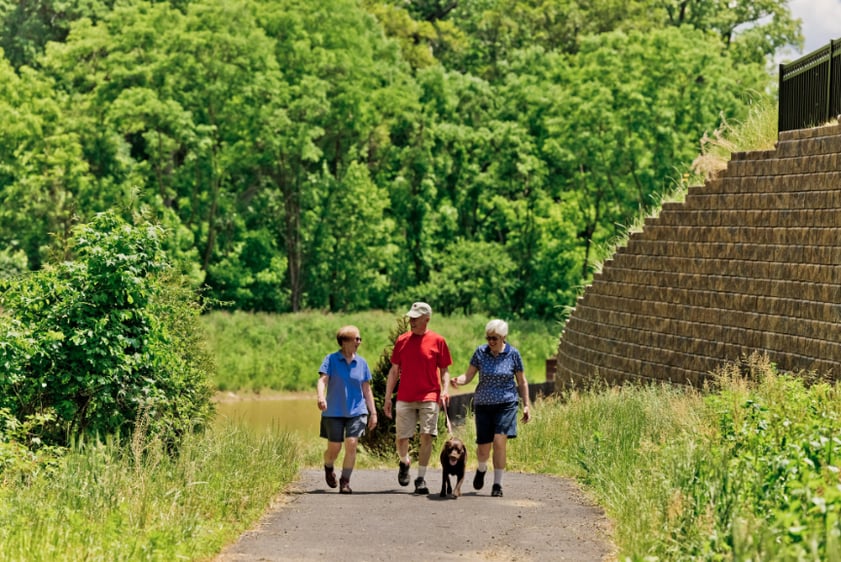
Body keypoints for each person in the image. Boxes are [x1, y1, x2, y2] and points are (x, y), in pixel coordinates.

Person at [451, 319, 530, 497]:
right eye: (488, 338)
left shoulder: (513, 354)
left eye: (494, 338)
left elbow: (522, 381)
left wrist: (526, 405)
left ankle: (497, 484)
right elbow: (469, 375)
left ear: (503, 337)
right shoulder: (480, 352)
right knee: (483, 448)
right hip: (484, 404)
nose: (491, 342)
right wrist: (459, 380)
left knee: (500, 440)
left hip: (507, 403)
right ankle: (481, 468)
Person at [383, 302, 452, 494]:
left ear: (426, 319)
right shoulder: (402, 340)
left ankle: (421, 478)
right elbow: (394, 371)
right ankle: (404, 461)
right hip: (405, 396)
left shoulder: (438, 341)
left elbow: (445, 371)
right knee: (402, 438)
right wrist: (388, 398)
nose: (411, 321)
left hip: (429, 395)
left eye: (415, 318)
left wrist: (445, 390)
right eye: (410, 318)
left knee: (427, 435)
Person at [317, 325, 377, 494]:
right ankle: (328, 466)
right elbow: (323, 381)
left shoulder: (362, 363)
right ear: (344, 342)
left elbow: (366, 389)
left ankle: (345, 481)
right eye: (355, 339)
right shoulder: (331, 360)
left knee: (351, 444)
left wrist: (373, 413)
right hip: (334, 411)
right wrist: (321, 397)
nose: (358, 342)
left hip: (357, 411)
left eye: (360, 338)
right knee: (334, 448)